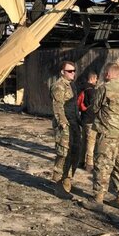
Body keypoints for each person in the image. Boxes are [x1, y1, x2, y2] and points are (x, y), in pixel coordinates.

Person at [92, 63, 119, 210]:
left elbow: (95, 108)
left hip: (108, 135)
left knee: (102, 166)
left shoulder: (104, 88)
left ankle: (98, 199)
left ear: (108, 74)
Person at [50, 61, 80, 199]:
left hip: (74, 124)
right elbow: (58, 108)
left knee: (74, 154)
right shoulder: (58, 86)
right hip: (65, 126)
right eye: (69, 71)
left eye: (74, 70)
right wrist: (63, 125)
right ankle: (58, 186)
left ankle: (67, 183)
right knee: (63, 155)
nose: (73, 73)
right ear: (62, 72)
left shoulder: (71, 85)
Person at [77, 71, 98, 172]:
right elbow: (95, 106)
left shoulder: (81, 88)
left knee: (84, 140)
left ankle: (80, 161)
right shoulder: (92, 91)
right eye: (96, 79)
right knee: (91, 142)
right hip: (91, 120)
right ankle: (89, 164)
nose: (97, 81)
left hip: (83, 119)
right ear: (93, 78)